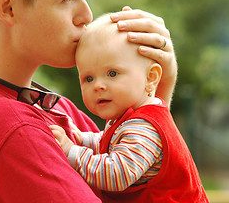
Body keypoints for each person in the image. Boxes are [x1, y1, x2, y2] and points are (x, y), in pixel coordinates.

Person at [0, 0, 177, 202]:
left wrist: (155, 92)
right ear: (9, 8)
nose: (86, 15)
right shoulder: (12, 127)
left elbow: (135, 171)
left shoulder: (50, 108)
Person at [50, 14, 208, 202]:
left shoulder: (144, 128)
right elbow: (111, 142)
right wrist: (81, 139)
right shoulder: (130, 120)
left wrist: (72, 152)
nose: (98, 85)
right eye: (88, 78)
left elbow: (116, 174)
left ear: (151, 78)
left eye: (112, 73)